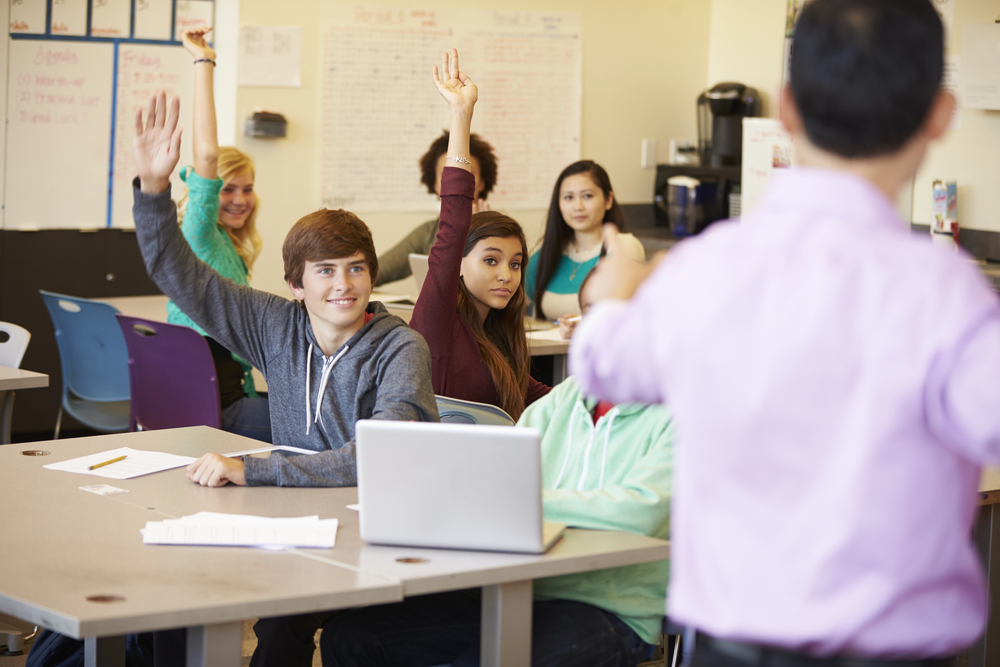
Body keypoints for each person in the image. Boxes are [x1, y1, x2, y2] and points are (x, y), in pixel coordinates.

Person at [571, 0, 994, 665]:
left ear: (788, 110)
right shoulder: (949, 295)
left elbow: (601, 363)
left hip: (726, 647)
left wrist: (616, 291)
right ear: (941, 113)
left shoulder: (706, 266)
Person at [320, 266, 675, 666]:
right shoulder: (563, 402)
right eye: (591, 312)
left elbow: (641, 510)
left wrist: (521, 503)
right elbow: (499, 482)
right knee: (350, 638)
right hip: (514, 587)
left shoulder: (683, 411)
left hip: (609, 607)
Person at [409, 49, 549, 421]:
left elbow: (548, 399)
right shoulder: (438, 322)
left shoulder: (498, 338)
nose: (507, 274)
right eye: (491, 260)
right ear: (457, 265)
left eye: (516, 264)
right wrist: (461, 114)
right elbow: (454, 221)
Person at [170, 28, 271, 442]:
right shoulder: (199, 234)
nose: (239, 199)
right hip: (217, 412)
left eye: (247, 189)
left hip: (222, 398)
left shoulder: (229, 245)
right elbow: (207, 155)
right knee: (333, 424)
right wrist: (203, 62)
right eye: (227, 188)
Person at [525, 160, 645, 335]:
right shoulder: (546, 253)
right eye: (568, 197)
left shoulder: (623, 247)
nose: (578, 207)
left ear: (608, 200)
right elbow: (510, 304)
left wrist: (585, 326)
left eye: (587, 196)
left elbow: (623, 315)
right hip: (546, 359)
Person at [374, 130, 498, 286]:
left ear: (481, 183)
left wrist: (481, 235)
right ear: (434, 183)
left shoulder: (501, 231)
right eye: (446, 174)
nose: (457, 182)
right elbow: (375, 273)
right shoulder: (428, 232)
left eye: (468, 174)